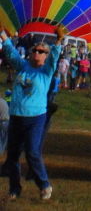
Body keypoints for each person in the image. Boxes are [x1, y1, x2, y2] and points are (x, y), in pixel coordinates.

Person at [0, 23, 67, 202]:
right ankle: (15, 189)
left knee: (32, 152)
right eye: (35, 50)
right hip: (16, 116)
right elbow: (11, 53)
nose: (37, 53)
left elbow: (54, 56)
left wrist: (59, 40)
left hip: (35, 118)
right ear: (30, 52)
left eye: (41, 51)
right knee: (12, 156)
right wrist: (2, 33)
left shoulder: (46, 71)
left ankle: (44, 185)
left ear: (46, 56)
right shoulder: (22, 67)